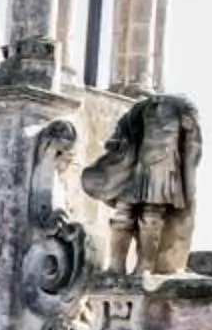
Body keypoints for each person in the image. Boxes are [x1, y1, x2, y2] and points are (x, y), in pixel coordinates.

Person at [80, 93, 203, 274]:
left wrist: (189, 131)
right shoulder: (140, 112)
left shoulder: (180, 110)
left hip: (164, 167)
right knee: (124, 213)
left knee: (152, 215)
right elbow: (122, 133)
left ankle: (145, 265)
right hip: (137, 166)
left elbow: (192, 145)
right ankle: (116, 265)